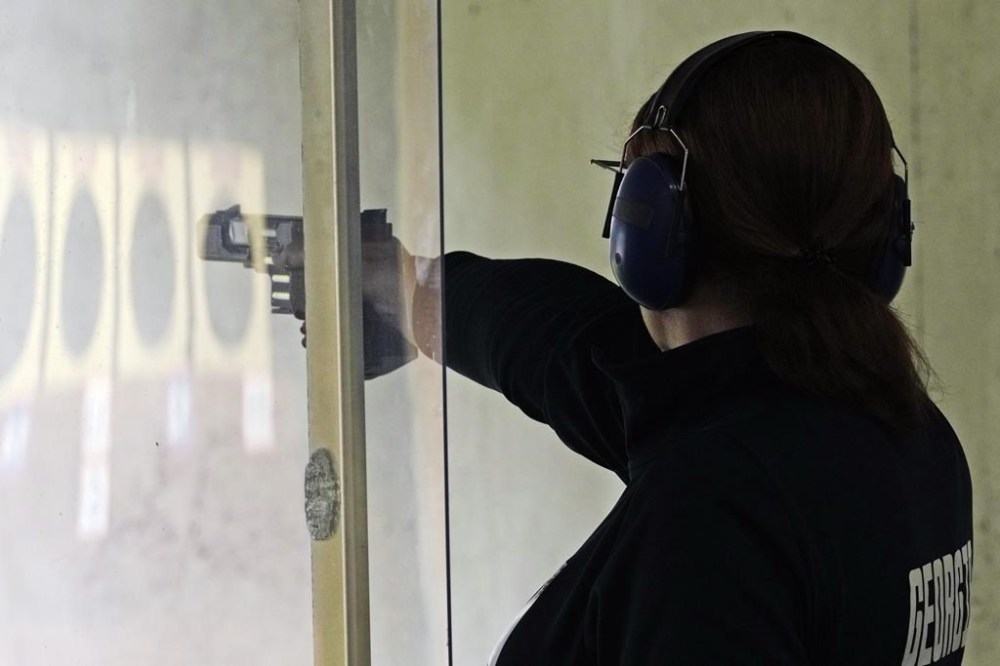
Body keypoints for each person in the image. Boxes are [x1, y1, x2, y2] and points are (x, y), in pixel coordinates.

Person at [306, 30, 975, 665]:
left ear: (653, 227)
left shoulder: (715, 510)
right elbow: (566, 346)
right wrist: (407, 288)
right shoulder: (908, 439)